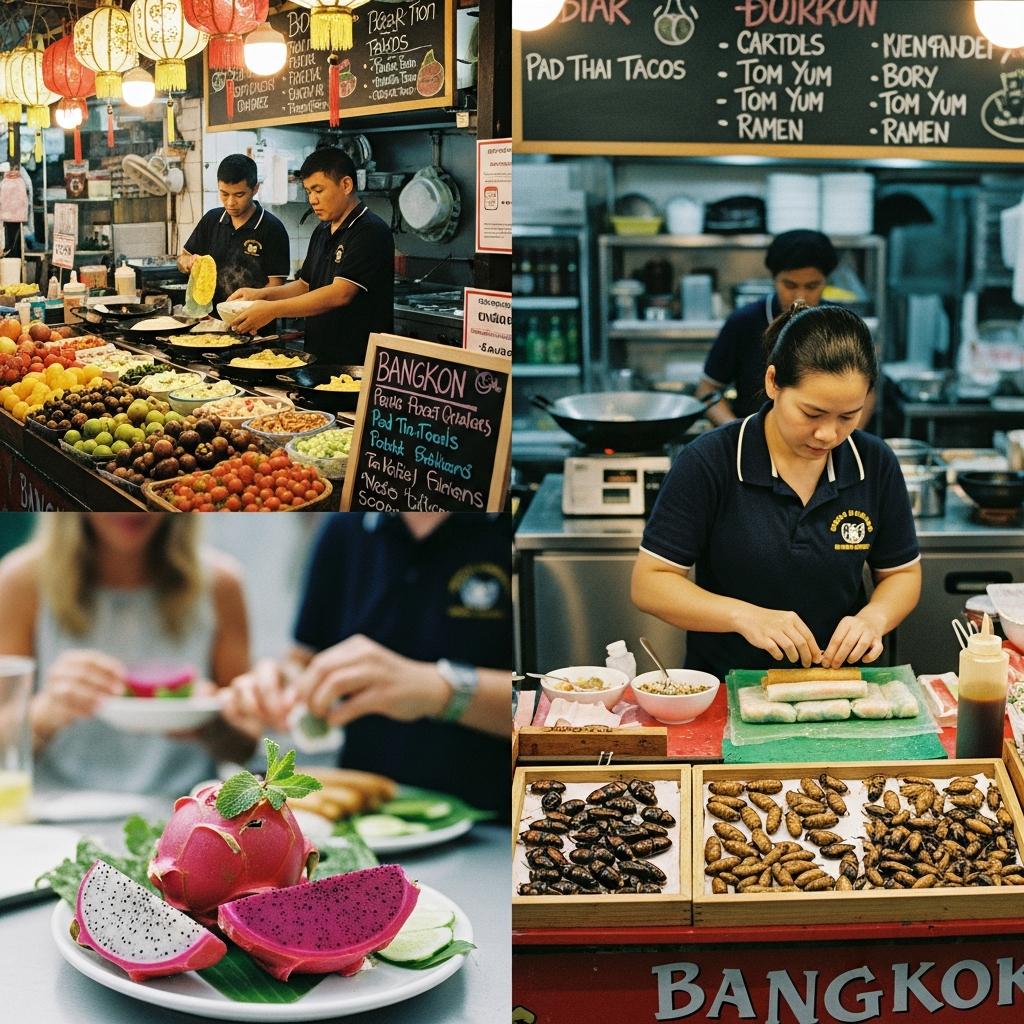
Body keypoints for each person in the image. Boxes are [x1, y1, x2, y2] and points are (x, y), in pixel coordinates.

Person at [632, 303, 921, 682]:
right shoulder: (711, 461)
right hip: (726, 687)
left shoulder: (874, 462)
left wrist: (874, 617)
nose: (828, 434)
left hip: (840, 687)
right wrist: (745, 616)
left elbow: (902, 574)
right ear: (773, 382)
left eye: (847, 416)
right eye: (812, 413)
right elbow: (651, 582)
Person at [221, 512, 510, 817]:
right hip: (362, 820)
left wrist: (443, 688)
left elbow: (552, 697)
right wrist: (282, 684)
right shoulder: (344, 525)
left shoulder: (512, 516)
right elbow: (304, 659)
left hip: (495, 823)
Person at [0, 514, 252, 796]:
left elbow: (247, 745)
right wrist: (45, 712)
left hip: (185, 805)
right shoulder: (22, 581)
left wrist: (210, 722)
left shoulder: (220, 584)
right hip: (56, 809)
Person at [228, 148, 394, 363]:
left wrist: (272, 310)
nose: (312, 200)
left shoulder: (369, 231)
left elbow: (340, 293)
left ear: (346, 185)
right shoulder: (323, 230)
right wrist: (259, 295)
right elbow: (305, 285)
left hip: (357, 360)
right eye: (308, 192)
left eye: (318, 190)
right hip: (320, 355)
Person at [696, 229, 839, 426]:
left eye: (812, 286)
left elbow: (867, 392)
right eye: (789, 285)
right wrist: (739, 435)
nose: (800, 297)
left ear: (825, 282)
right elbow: (707, 390)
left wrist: (842, 437)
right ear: (774, 279)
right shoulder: (744, 322)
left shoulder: (840, 323)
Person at [178, 154, 290, 309]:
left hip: (254, 321)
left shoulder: (272, 228)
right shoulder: (211, 219)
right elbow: (183, 258)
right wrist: (187, 263)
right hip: (211, 320)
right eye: (224, 194)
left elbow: (276, 285)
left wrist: (246, 308)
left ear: (255, 189)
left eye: (239, 195)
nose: (230, 203)